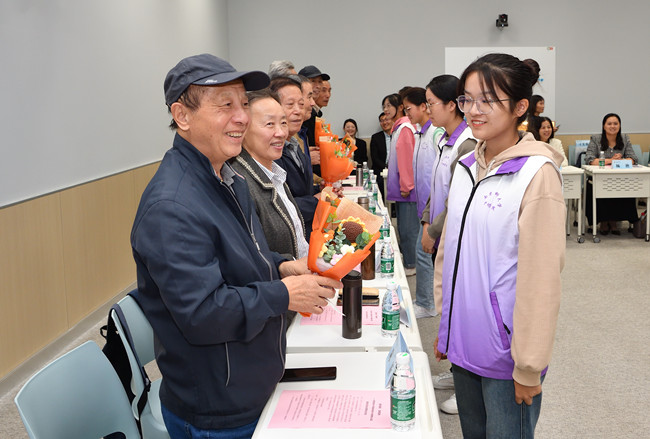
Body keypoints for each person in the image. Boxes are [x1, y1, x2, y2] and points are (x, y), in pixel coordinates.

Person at [131, 54, 341, 438]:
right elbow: (202, 313)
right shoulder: (172, 207)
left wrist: (281, 265)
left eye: (243, 103)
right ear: (182, 115)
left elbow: (242, 256)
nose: (241, 117)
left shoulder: (227, 178)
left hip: (251, 379)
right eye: (225, 105)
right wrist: (283, 294)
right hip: (218, 407)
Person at [434, 53, 565, 438]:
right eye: (467, 99)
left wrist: (528, 365)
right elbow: (450, 252)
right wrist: (446, 327)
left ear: (520, 107)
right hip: (463, 343)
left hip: (507, 354)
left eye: (488, 100)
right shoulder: (465, 167)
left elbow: (542, 279)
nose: (474, 110)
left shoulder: (536, 175)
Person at [231, 88, 308, 260]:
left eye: (283, 123)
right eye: (269, 124)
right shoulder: (239, 182)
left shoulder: (274, 173)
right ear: (243, 129)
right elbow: (251, 256)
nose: (281, 133)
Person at [402, 87, 444, 319]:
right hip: (424, 205)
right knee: (425, 254)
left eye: (409, 108)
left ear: (423, 107)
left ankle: (427, 303)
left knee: (423, 253)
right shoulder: (420, 133)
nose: (407, 113)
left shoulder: (436, 134)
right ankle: (427, 299)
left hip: (435, 208)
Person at [270, 76, 319, 235]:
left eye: (301, 104)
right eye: (290, 104)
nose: (298, 111)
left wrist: (321, 190)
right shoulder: (271, 151)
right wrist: (316, 201)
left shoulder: (295, 144)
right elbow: (277, 208)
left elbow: (302, 189)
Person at [584, 113, 639, 234]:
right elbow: (590, 159)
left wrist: (622, 160)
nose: (612, 126)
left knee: (622, 185)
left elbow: (633, 158)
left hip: (620, 178)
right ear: (604, 126)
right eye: (609, 124)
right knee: (599, 186)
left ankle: (614, 220)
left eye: (615, 124)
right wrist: (611, 161)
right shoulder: (596, 138)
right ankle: (603, 221)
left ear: (620, 126)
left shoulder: (625, 138)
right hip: (600, 178)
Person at [383, 92, 418, 275]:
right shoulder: (397, 128)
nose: (386, 110)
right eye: (384, 107)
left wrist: (406, 186)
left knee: (408, 229)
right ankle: (409, 261)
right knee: (403, 228)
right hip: (402, 189)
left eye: (389, 106)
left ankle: (411, 264)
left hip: (407, 190)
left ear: (400, 107)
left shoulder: (404, 128)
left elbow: (406, 160)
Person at [369, 112, 392, 200]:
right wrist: (386, 167)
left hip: (396, 169)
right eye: (381, 121)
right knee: (380, 182)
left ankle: (394, 207)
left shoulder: (399, 135)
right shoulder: (376, 137)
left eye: (386, 119)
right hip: (380, 169)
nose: (384, 122)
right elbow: (375, 158)